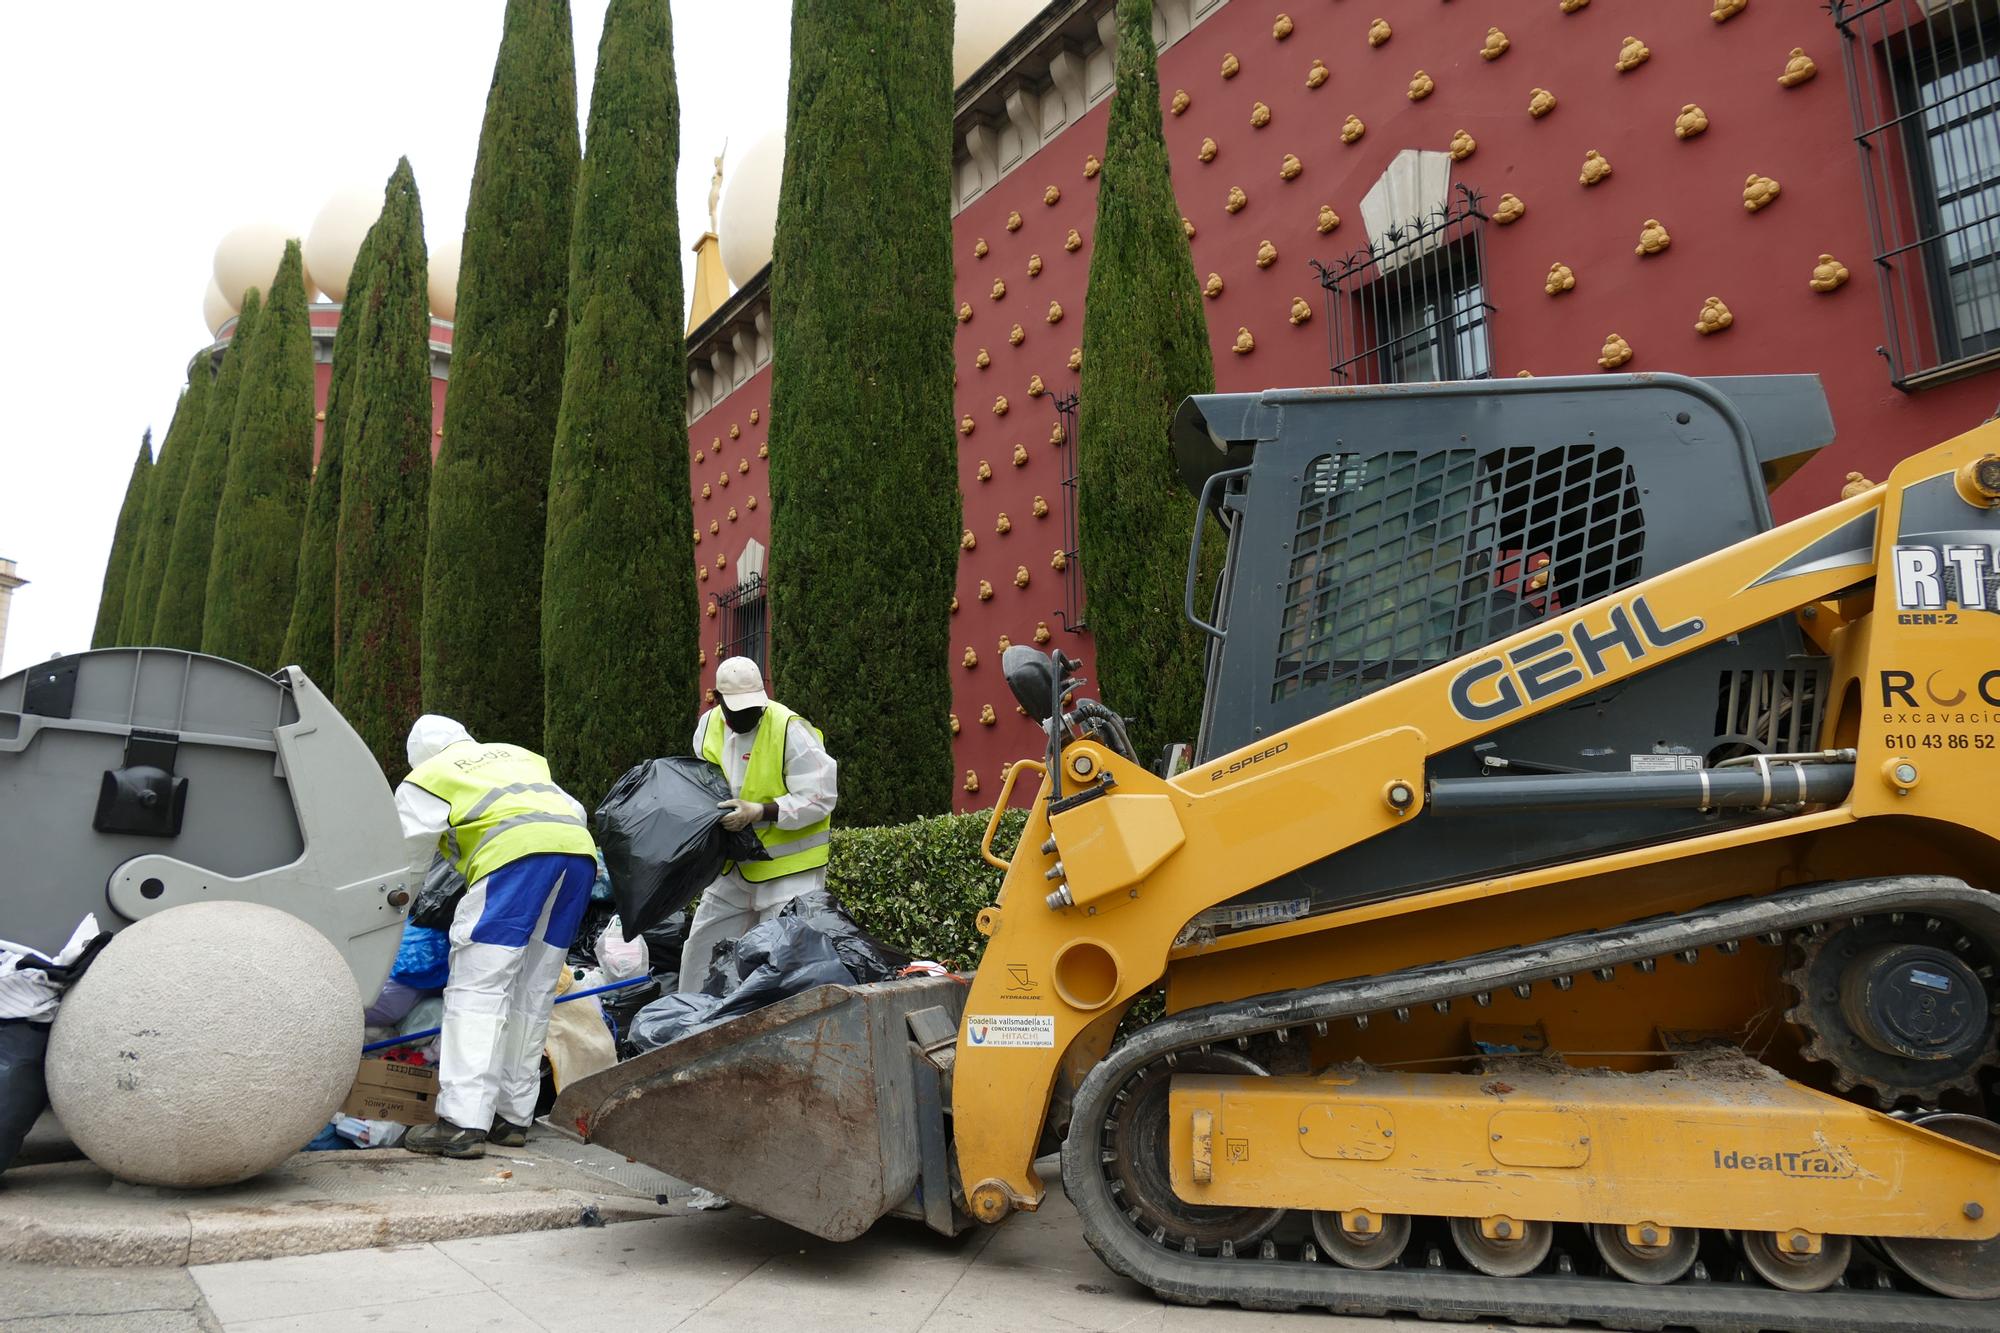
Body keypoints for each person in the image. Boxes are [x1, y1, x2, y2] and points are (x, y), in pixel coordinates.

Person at [394, 715, 598, 1158]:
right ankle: (512, 1117)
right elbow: (575, 810)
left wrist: (396, 907)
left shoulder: (426, 777)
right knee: (534, 990)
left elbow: (404, 858)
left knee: (477, 990)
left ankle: (461, 1123)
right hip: (577, 855)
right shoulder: (517, 756)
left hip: (514, 860)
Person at [680, 657, 838, 985]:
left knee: (784, 967)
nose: (745, 715)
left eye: (752, 707)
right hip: (735, 869)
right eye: (735, 708)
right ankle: (686, 1025)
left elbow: (821, 796)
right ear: (718, 699)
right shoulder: (707, 727)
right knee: (700, 951)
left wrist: (761, 811)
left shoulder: (789, 728)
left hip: (790, 876)